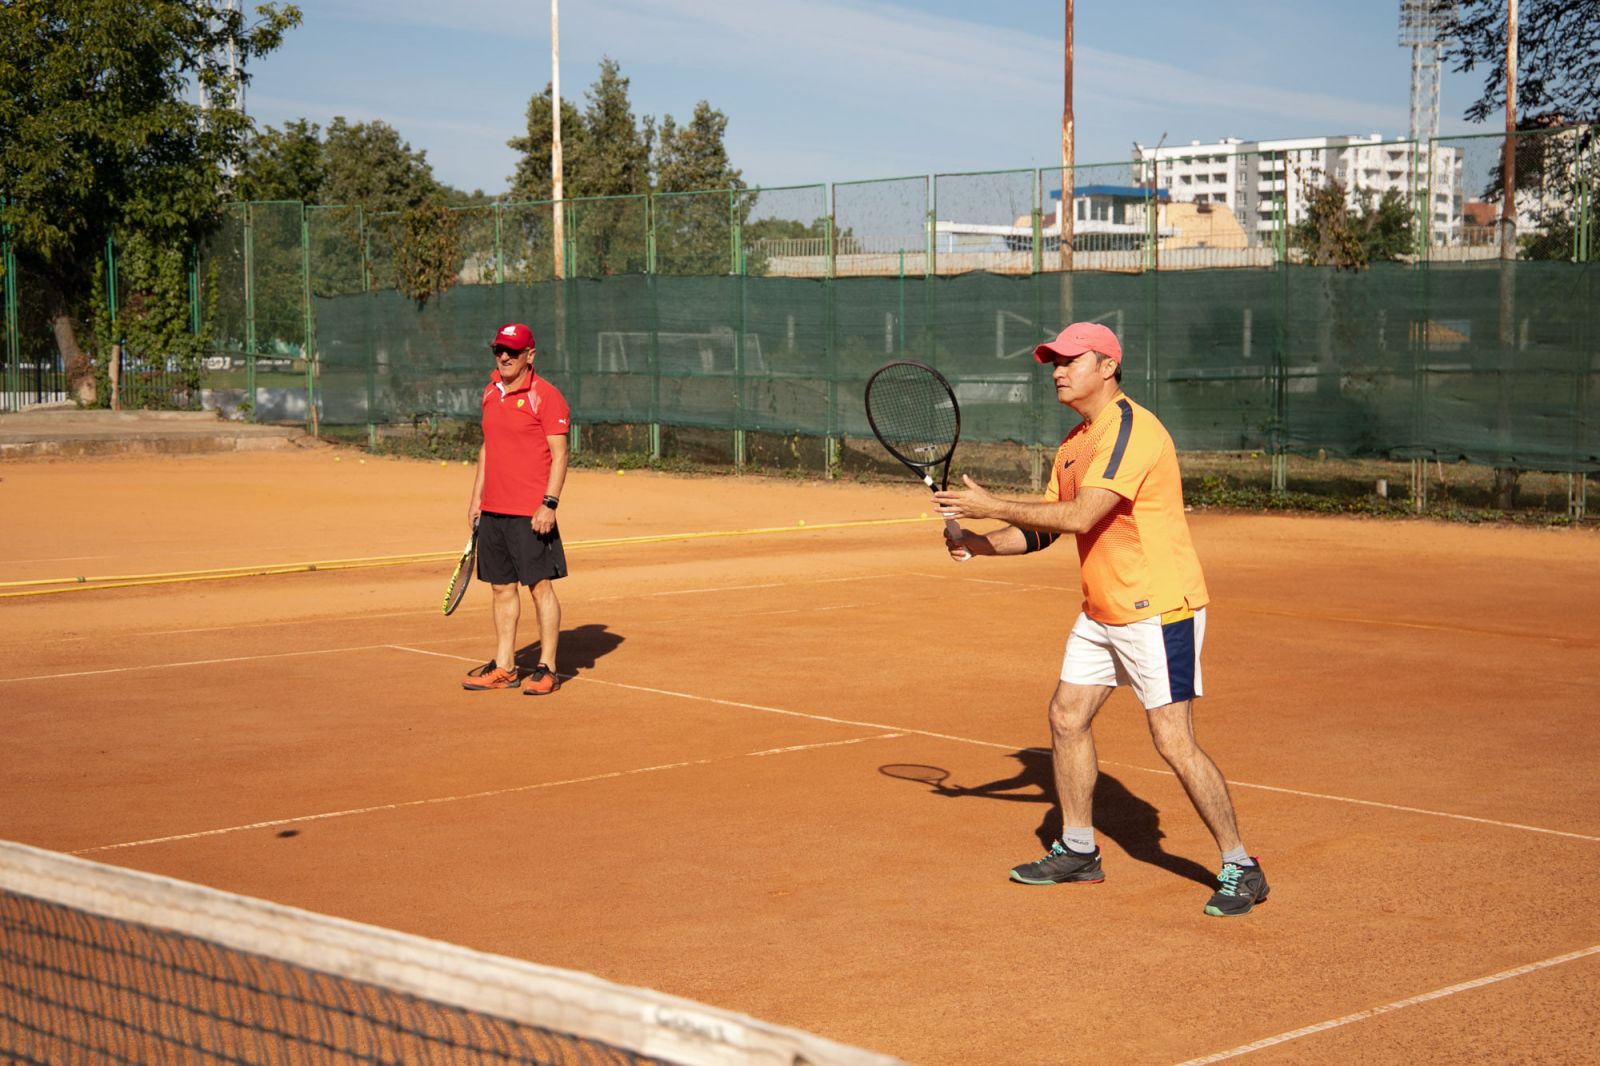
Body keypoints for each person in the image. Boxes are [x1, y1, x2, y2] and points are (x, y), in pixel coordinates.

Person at [931, 321, 1268, 917]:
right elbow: (1045, 527)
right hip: (1103, 608)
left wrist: (986, 503)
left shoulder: (1131, 431)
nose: (1057, 371)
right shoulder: (1074, 443)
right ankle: (1080, 850)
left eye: (1069, 360)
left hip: (1157, 608)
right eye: (1052, 362)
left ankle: (1242, 865)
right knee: (1066, 716)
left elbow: (1084, 516)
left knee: (1172, 739)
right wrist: (979, 542)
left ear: (1107, 366)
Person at [461, 322, 572, 697]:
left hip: (531, 512)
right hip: (494, 510)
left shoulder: (546, 396)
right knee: (501, 588)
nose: (504, 357)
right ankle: (506, 666)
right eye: (498, 350)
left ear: (530, 355)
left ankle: (548, 668)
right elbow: (487, 448)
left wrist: (549, 504)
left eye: (512, 351)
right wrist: (478, 499)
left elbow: (560, 455)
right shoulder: (491, 392)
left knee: (540, 588)